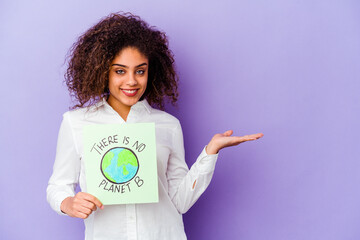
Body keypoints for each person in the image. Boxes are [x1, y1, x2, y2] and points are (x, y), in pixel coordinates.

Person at [47, 12, 263, 240]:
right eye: (120, 71)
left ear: (150, 71)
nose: (131, 81)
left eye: (140, 71)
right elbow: (57, 186)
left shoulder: (167, 125)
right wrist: (68, 203)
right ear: (103, 71)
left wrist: (210, 152)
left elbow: (180, 201)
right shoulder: (76, 123)